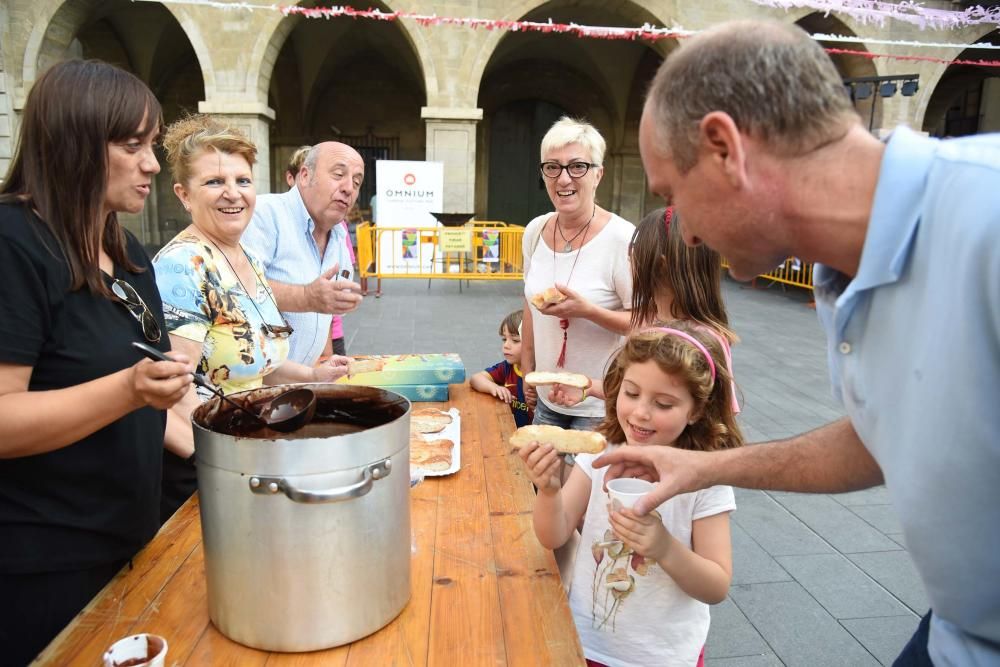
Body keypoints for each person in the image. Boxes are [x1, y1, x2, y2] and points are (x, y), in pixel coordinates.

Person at [596, 19, 1000, 665]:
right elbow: (881, 431)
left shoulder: (986, 216)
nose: (688, 236)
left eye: (674, 195)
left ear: (725, 147)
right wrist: (705, 466)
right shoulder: (839, 273)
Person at [0, 60, 195, 665]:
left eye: (152, 145)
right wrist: (131, 390)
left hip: (133, 536)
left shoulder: (126, 249)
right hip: (46, 563)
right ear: (74, 142)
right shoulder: (14, 241)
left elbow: (157, 387)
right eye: (132, 145)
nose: (153, 165)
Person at [153, 116, 351, 520]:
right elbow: (170, 395)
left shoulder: (246, 259)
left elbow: (254, 359)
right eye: (214, 182)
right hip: (206, 469)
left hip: (250, 451)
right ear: (183, 194)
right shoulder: (184, 265)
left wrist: (312, 377)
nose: (233, 194)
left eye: (243, 181)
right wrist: (221, 460)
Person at [518, 323, 742, 666]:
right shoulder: (601, 451)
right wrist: (549, 490)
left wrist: (664, 547)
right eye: (631, 393)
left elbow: (716, 586)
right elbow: (553, 534)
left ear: (696, 410)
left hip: (663, 656)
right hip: (586, 642)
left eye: (664, 403)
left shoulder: (706, 478)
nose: (640, 412)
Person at [521, 117, 634, 468]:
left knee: (583, 509)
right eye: (553, 167)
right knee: (541, 493)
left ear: (598, 174)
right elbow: (528, 305)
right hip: (547, 397)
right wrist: (528, 367)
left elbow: (645, 323)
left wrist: (588, 310)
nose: (564, 179)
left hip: (597, 403)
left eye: (577, 166)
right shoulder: (535, 231)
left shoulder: (623, 239)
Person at [242, 142, 364, 366]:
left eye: (356, 182)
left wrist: (324, 362)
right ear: (305, 176)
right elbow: (237, 291)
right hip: (254, 386)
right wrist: (306, 297)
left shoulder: (338, 236)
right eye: (339, 174)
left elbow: (324, 317)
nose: (349, 188)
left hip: (302, 382)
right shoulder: (265, 214)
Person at [470, 310, 533, 427]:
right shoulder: (507, 367)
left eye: (515, 340)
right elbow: (475, 379)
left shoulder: (542, 375)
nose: (506, 345)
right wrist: (494, 387)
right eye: (504, 339)